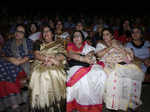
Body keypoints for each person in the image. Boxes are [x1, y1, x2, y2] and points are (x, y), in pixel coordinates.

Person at [96, 28, 144, 112]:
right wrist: (111, 46)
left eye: (107, 34)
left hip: (121, 63)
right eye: (103, 34)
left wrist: (118, 48)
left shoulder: (118, 43)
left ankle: (129, 103)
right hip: (107, 64)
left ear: (111, 35)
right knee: (115, 74)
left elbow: (127, 58)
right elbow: (98, 55)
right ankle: (112, 105)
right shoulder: (100, 44)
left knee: (130, 74)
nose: (105, 36)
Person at [29, 24, 67, 112]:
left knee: (54, 72)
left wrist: (53, 60)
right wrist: (47, 59)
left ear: (52, 34)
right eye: (44, 32)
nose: (45, 33)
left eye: (48, 31)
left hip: (56, 63)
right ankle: (42, 105)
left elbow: (63, 54)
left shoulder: (58, 43)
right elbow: (37, 55)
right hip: (41, 62)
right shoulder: (38, 42)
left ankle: (56, 104)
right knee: (40, 74)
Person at [67, 30, 107, 112]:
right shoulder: (70, 46)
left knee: (99, 73)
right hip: (76, 66)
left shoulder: (88, 46)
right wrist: (84, 57)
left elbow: (94, 53)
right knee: (84, 79)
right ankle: (83, 106)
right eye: (74, 36)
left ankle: (94, 104)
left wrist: (91, 53)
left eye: (79, 36)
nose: (76, 38)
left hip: (88, 65)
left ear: (83, 38)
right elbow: (71, 54)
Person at [0, 24, 33, 111]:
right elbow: (2, 55)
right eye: (17, 31)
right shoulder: (9, 43)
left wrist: (19, 61)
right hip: (9, 66)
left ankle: (14, 102)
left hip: (24, 66)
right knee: (2, 68)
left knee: (4, 69)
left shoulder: (28, 42)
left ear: (24, 34)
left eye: (21, 32)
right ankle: (14, 103)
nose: (18, 33)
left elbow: (30, 54)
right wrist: (10, 59)